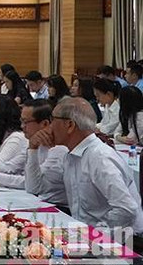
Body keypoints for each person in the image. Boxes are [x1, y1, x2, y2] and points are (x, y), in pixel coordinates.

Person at [48, 97, 143, 234]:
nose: (50, 127)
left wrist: (94, 235)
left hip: (123, 241)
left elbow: (126, 210)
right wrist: (36, 148)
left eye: (53, 120)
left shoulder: (100, 157)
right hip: (87, 235)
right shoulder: (71, 155)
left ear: (70, 125)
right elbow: (41, 189)